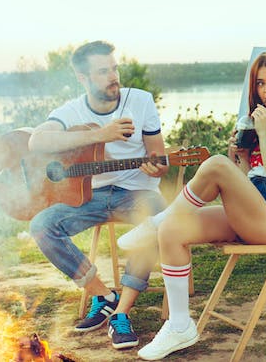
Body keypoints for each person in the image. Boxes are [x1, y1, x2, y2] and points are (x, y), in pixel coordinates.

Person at [118, 52, 266, 360]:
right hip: (254, 207)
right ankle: (179, 325)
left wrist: (263, 135)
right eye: (261, 84)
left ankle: (154, 222)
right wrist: (240, 159)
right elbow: (249, 181)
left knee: (214, 165)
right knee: (174, 230)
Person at [27, 40, 168, 351]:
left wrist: (155, 168)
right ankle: (102, 294)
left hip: (137, 191)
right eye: (103, 71)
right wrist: (99, 135)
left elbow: (159, 158)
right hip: (88, 194)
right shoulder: (71, 111)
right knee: (41, 226)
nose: (113, 76)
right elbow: (36, 142)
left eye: (114, 68)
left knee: (158, 219)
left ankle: (121, 313)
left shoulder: (141, 101)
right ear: (83, 78)